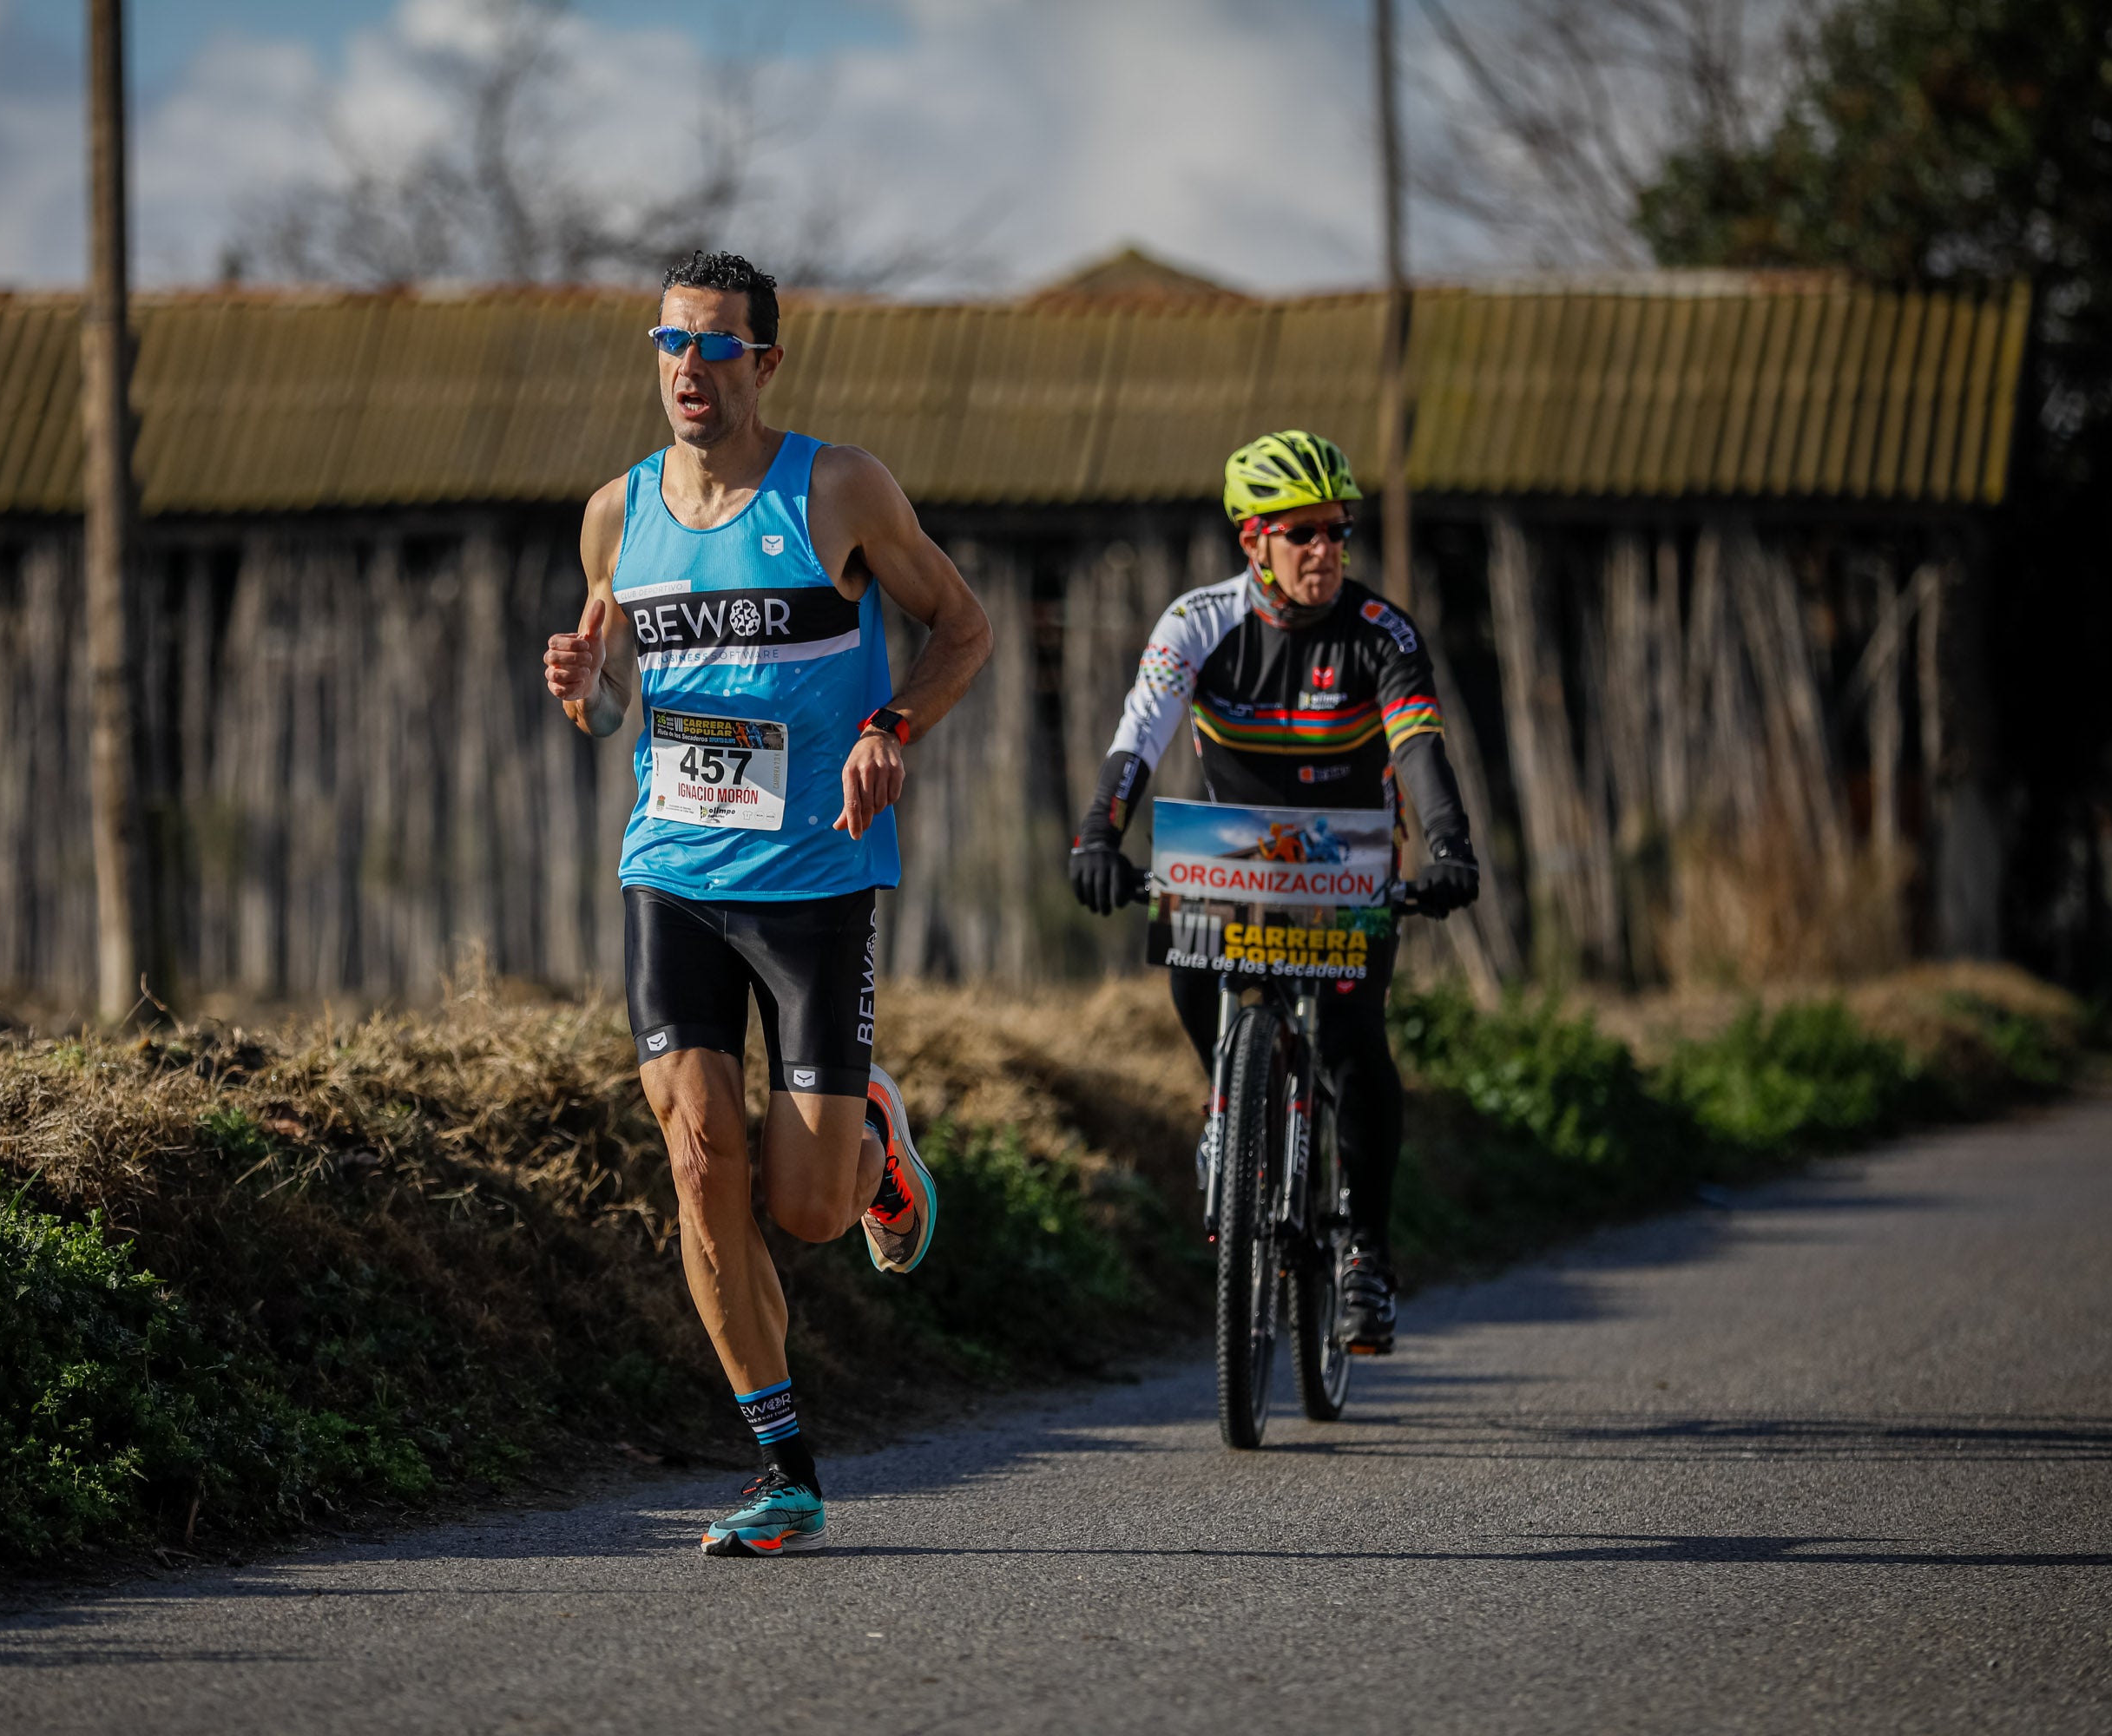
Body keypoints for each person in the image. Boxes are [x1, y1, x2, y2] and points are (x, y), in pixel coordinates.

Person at [543, 250, 990, 1555]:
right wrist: (583, 682)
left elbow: (961, 626)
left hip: (816, 884)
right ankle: (783, 1463)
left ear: (765, 362)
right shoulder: (615, 516)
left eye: (717, 347)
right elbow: (609, 705)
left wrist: (892, 723)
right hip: (672, 874)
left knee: (803, 1210)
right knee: (695, 1158)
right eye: (670, 344)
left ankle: (875, 1140)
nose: (690, 369)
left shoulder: (839, 488)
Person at [1067, 431, 1479, 1356]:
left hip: (1347, 859)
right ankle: (1230, 1105)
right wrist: (1099, 833)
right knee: (1186, 963)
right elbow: (1141, 732)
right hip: (1234, 855)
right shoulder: (1197, 623)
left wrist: (1450, 845)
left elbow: (1419, 748)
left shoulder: (1382, 634)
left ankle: (1366, 1252)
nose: (1325, 551)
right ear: (1253, 540)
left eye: (1338, 530)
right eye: (1302, 533)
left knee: (1351, 1038)